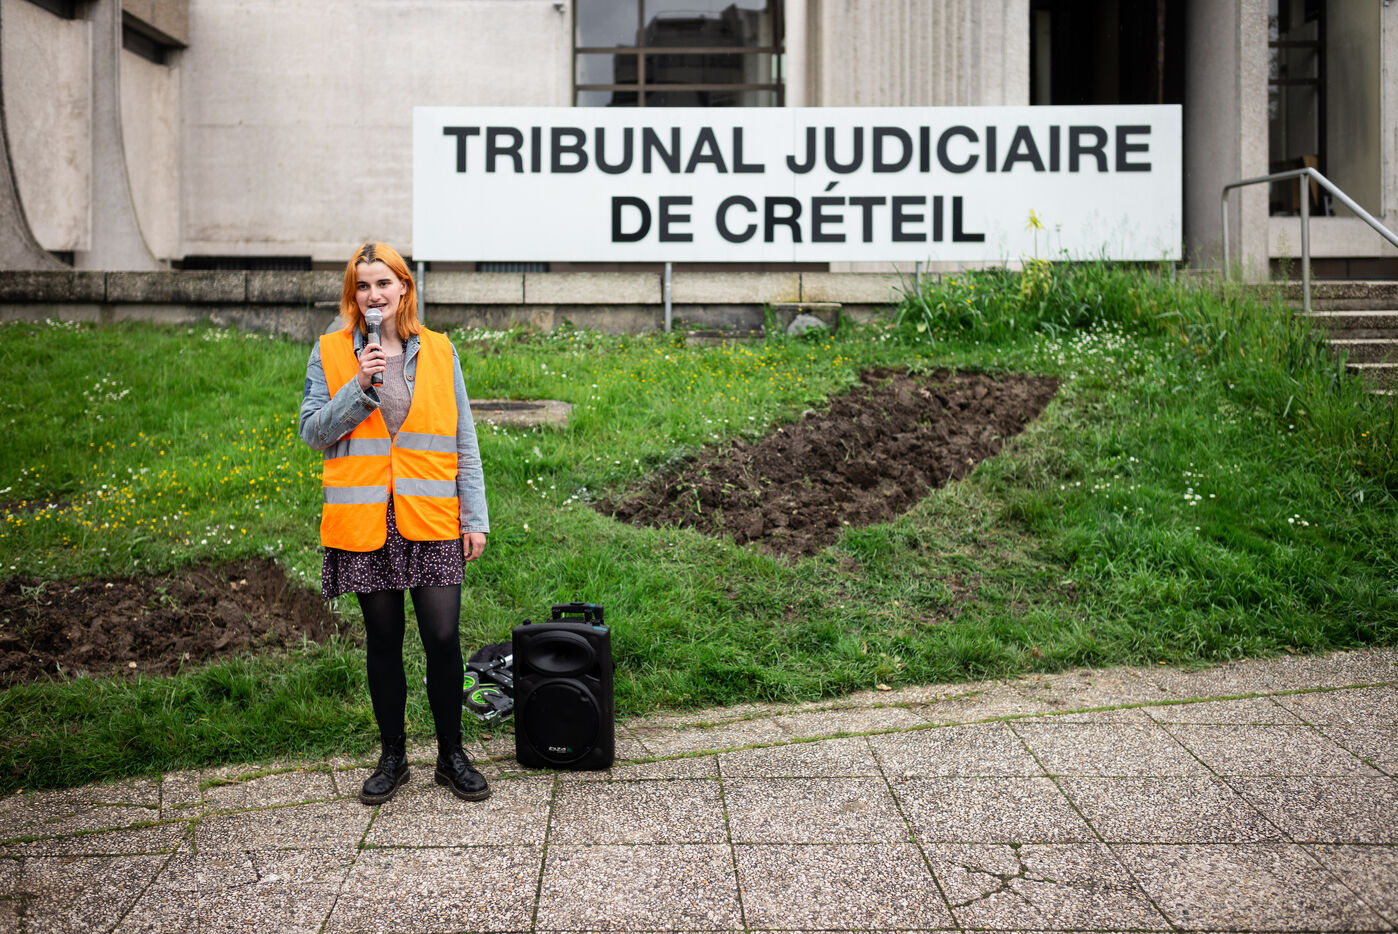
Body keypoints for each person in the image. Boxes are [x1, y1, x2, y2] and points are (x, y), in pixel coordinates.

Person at [298, 241, 490, 805]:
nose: (373, 294)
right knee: (384, 640)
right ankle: (393, 757)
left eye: (383, 282)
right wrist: (359, 385)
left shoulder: (440, 350)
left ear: (404, 287)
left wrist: (474, 515)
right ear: (353, 295)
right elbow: (313, 433)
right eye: (362, 286)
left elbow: (463, 439)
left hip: (430, 513)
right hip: (367, 517)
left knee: (443, 637)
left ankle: (452, 755)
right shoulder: (331, 352)